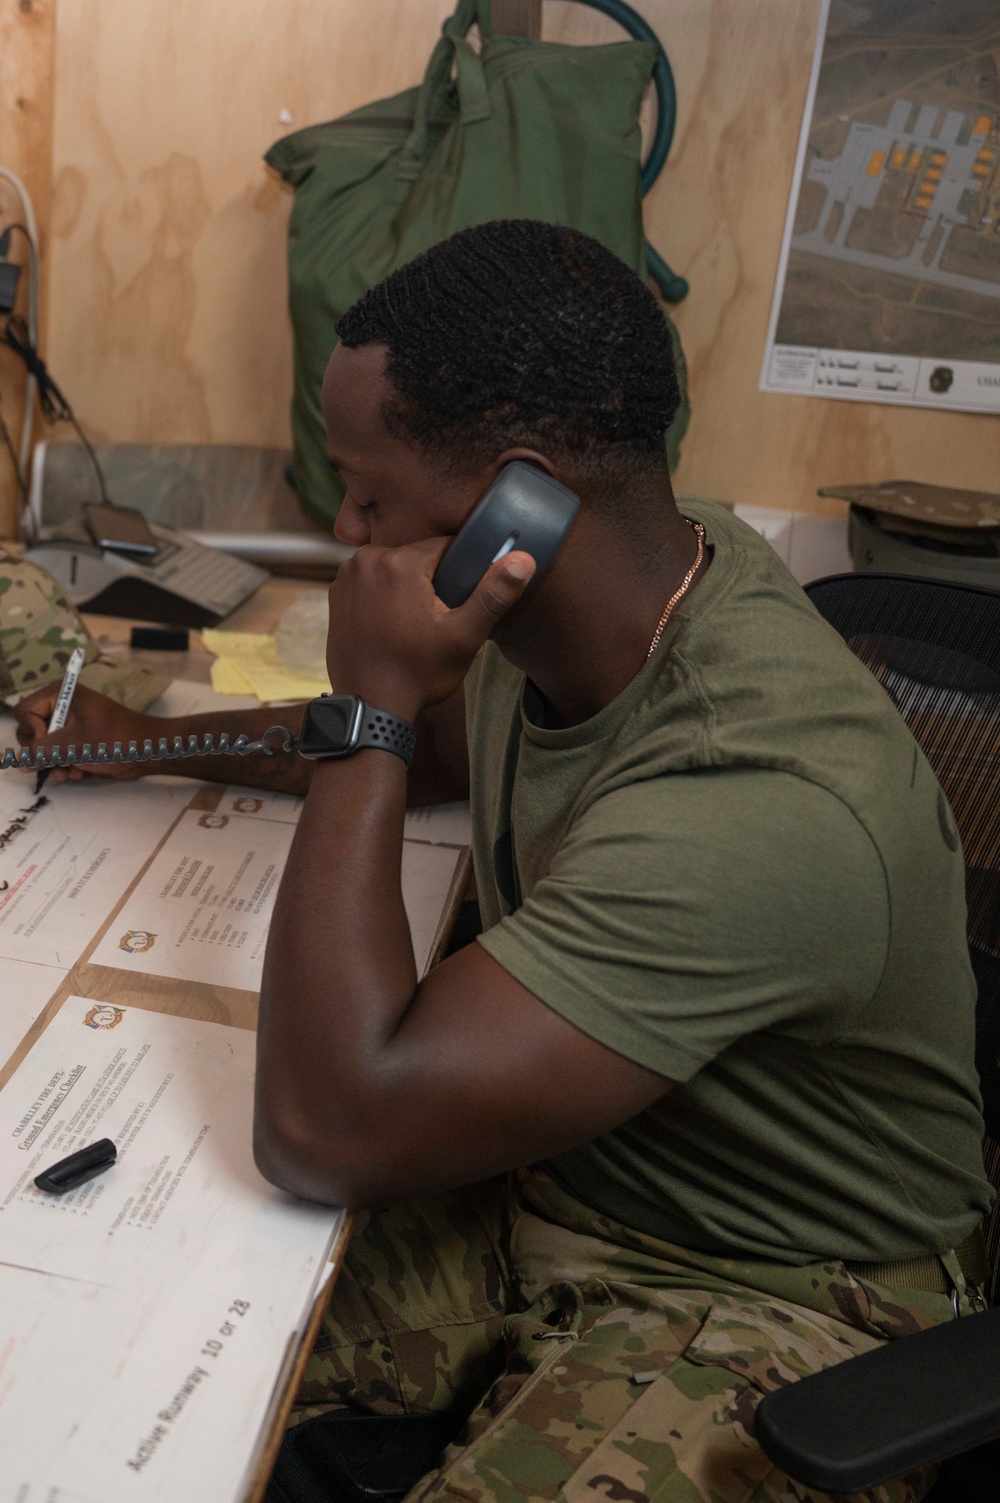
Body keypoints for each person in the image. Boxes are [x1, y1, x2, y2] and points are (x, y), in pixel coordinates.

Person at [15, 221, 991, 1502]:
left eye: (368, 493)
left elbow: (330, 1130)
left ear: (512, 506)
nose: (347, 529)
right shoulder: (625, 588)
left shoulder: (762, 795)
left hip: (763, 1285)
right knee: (101, 1343)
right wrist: (152, 741)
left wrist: (366, 705)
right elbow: (432, 748)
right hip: (574, 1167)